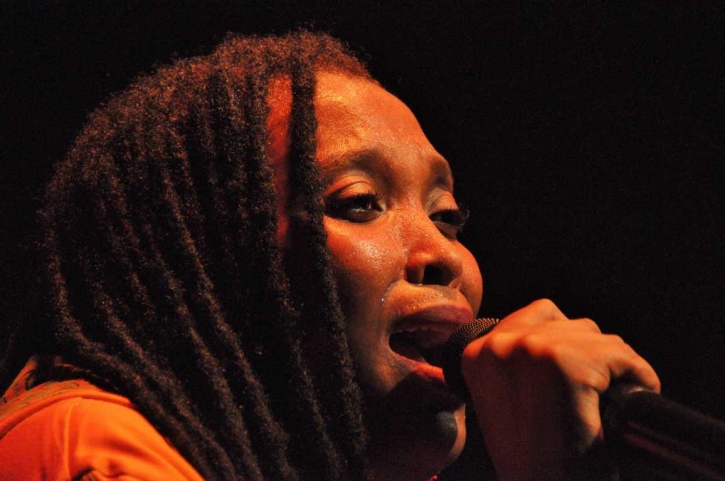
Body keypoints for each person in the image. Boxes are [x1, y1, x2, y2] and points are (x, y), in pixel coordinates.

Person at [0, 32, 659, 480]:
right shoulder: (89, 447)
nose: (442, 255)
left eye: (446, 215)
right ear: (198, 263)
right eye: (360, 202)